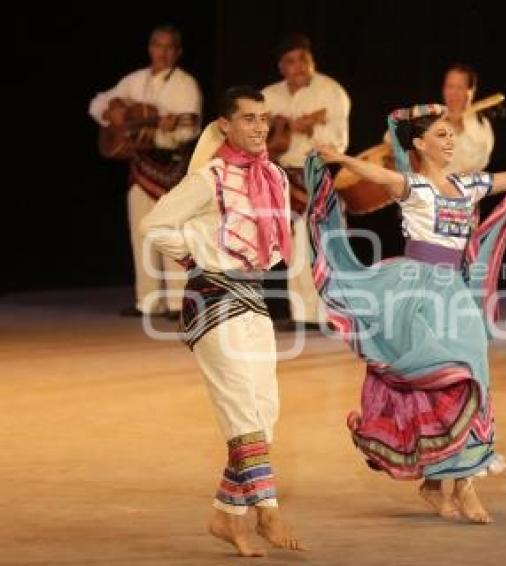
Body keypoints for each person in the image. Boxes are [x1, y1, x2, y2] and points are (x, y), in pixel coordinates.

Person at [310, 103, 506, 524]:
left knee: (475, 377)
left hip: (454, 293)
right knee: (439, 383)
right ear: (419, 143)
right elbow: (379, 176)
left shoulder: (468, 184)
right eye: (440, 134)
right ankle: (448, 482)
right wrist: (342, 159)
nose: (450, 139)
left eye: (451, 134)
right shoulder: (414, 187)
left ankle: (454, 481)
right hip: (417, 292)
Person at [140, 87, 303, 556]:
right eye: (248, 118)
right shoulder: (209, 178)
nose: (259, 127)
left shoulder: (270, 174)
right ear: (225, 127)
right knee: (241, 409)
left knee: (264, 411)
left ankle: (226, 514)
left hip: (252, 295)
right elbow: (153, 224)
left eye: (263, 118)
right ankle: (266, 510)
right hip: (213, 297)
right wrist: (193, 256)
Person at [89, 24, 201, 318]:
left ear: (177, 52)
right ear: (150, 48)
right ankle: (148, 301)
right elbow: (97, 103)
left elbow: (189, 129)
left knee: (171, 231)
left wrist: (165, 130)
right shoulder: (134, 81)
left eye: (169, 47)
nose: (162, 52)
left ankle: (178, 303)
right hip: (140, 166)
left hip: (172, 164)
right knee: (142, 231)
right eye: (157, 46)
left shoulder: (185, 84)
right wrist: (111, 112)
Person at [262, 32, 350, 330]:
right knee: (293, 249)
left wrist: (307, 131)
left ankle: (327, 315)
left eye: (303, 59)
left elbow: (338, 142)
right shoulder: (269, 96)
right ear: (281, 67)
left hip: (317, 174)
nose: (298, 66)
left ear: (312, 61)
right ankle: (302, 316)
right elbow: (254, 131)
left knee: (318, 248)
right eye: (290, 61)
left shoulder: (332, 92)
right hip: (283, 176)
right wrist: (289, 124)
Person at [441, 63, 495, 174]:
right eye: (449, 86)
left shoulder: (481, 123)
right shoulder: (433, 120)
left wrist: (459, 127)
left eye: (459, 87)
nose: (453, 93)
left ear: (471, 91)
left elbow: (477, 163)